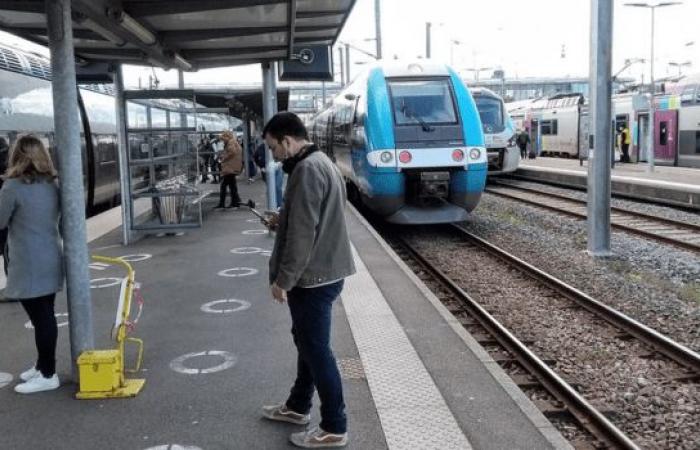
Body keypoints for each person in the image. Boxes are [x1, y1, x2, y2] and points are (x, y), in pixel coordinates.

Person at [260, 112, 356, 448]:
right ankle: (298, 406)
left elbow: (303, 233)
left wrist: (283, 281)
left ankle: (334, 425)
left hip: (313, 277)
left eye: (273, 147)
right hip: (324, 271)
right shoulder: (322, 162)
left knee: (316, 349)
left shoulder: (305, 169)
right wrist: (281, 219)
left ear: (287, 140)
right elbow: (313, 216)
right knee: (307, 343)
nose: (273, 155)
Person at [0, 135, 63, 394]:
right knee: (44, 313)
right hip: (50, 256)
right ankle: (41, 366)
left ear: (16, 156)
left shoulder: (13, 187)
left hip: (27, 261)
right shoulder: (53, 185)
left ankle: (48, 374)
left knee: (42, 318)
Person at [215, 130, 243, 209]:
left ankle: (223, 203)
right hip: (233, 167)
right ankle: (235, 202)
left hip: (230, 168)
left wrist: (223, 158)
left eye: (223, 138)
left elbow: (232, 152)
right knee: (232, 185)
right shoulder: (233, 142)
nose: (223, 140)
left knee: (224, 185)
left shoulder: (231, 142)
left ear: (227, 137)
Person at [253, 137, 284, 206]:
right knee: (271, 188)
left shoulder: (276, 146)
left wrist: (281, 162)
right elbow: (255, 157)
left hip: (277, 168)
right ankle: (274, 204)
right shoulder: (261, 148)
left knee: (277, 187)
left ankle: (279, 205)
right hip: (266, 171)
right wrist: (261, 167)